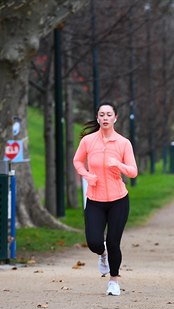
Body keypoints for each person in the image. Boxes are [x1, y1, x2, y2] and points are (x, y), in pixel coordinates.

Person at [73, 102, 138, 296]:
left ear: (115, 118)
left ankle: (114, 281)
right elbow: (77, 160)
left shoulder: (123, 143)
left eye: (109, 114)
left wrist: (118, 164)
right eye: (101, 114)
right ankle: (102, 255)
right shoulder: (88, 141)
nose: (105, 118)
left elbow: (133, 172)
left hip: (119, 200)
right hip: (95, 199)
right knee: (94, 242)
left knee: (113, 242)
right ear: (98, 118)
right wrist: (86, 175)